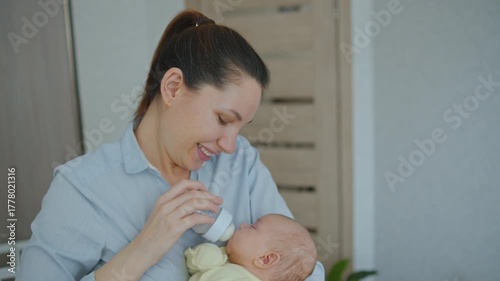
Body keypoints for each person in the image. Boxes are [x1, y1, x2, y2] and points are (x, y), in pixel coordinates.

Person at [18, 10, 325, 281]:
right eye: (222, 119)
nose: (230, 145)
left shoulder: (240, 163)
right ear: (173, 87)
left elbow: (303, 267)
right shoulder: (82, 189)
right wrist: (144, 249)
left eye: (240, 127)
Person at [185, 214, 318, 281]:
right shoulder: (227, 258)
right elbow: (194, 266)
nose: (243, 225)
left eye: (252, 227)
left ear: (265, 259)